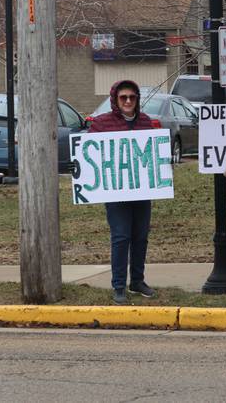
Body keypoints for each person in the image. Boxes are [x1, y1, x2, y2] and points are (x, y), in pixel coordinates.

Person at [89, 79, 156, 305]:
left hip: (141, 191)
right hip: (115, 193)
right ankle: (118, 285)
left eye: (132, 97)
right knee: (121, 237)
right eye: (123, 97)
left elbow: (153, 153)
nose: (128, 101)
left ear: (137, 100)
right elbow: (90, 155)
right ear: (115, 99)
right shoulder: (101, 123)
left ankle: (137, 280)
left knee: (140, 237)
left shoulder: (146, 122)